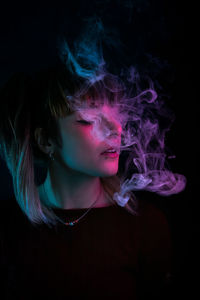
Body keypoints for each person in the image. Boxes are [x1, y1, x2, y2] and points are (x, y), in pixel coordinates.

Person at [0, 19, 186, 299]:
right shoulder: (6, 229)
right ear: (46, 141)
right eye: (89, 119)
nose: (116, 129)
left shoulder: (146, 227)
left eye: (116, 114)